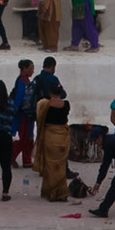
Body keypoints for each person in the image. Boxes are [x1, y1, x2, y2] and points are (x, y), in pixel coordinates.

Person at [32, 71, 70, 201]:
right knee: (60, 166)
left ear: (49, 93)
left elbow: (38, 116)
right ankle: (62, 192)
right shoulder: (66, 105)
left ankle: (52, 193)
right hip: (63, 137)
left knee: (50, 166)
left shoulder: (44, 104)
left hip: (49, 137)